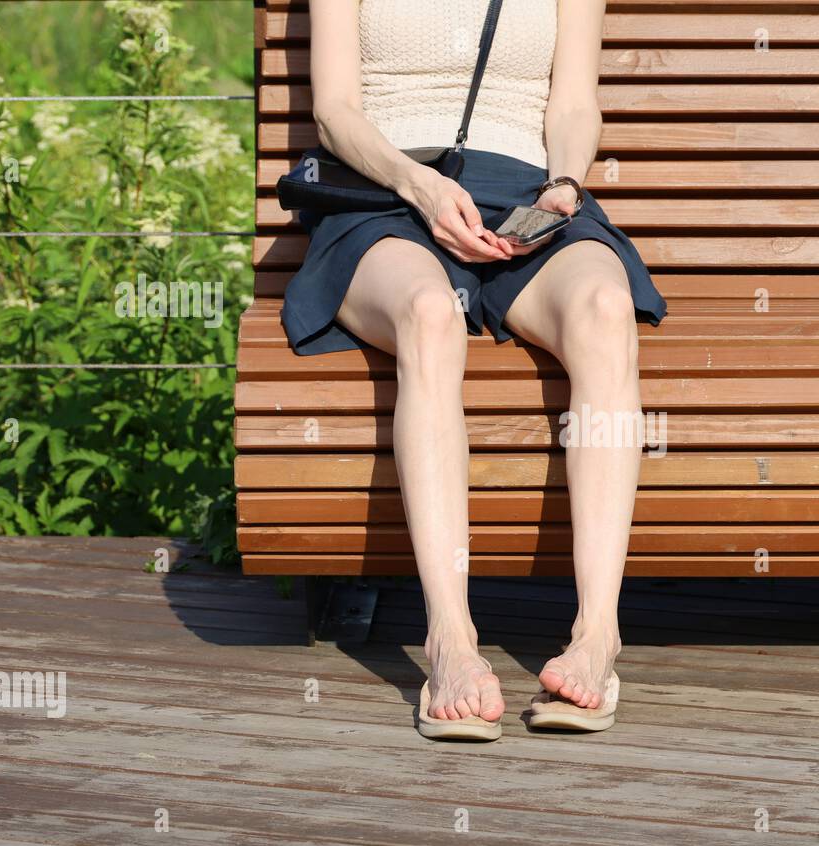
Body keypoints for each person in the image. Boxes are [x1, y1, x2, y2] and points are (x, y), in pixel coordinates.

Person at [282, 0, 667, 737]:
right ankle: (450, 642)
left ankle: (597, 635)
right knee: (430, 317)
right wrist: (419, 187)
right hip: (388, 196)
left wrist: (564, 184)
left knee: (605, 313)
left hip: (526, 201)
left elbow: (574, 102)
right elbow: (334, 112)